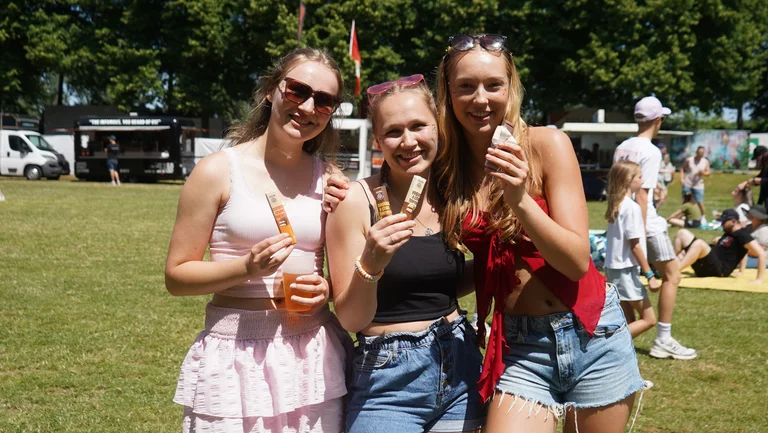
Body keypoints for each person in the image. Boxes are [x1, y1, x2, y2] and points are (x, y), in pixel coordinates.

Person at [434, 33, 647, 433]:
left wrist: (519, 198)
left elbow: (575, 261)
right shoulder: (447, 167)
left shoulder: (547, 144)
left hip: (591, 332)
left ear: (510, 87)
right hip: (521, 346)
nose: (481, 99)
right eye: (466, 87)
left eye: (493, 85)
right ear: (448, 93)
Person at [164, 48, 351, 433]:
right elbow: (176, 276)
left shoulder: (330, 178)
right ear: (271, 90)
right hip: (235, 354)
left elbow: (349, 274)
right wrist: (245, 267)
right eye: (298, 90)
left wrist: (327, 288)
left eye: (324, 100)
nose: (308, 106)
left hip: (314, 350)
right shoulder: (217, 170)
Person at [325, 75, 485, 433]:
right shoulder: (354, 200)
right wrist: (371, 263)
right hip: (388, 377)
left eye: (418, 126)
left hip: (459, 361)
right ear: (378, 139)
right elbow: (351, 318)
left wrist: (501, 262)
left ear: (438, 128)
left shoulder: (452, 195)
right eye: (394, 132)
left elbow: (439, 284)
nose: (408, 141)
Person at [614, 96, 695, 361]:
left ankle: (622, 344)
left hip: (620, 220)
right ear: (658, 120)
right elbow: (642, 196)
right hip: (646, 224)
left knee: (626, 290)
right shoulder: (651, 151)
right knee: (673, 276)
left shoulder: (622, 147)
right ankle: (663, 339)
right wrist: (642, 233)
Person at [604, 160, 660, 339]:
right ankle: (609, 345)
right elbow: (635, 245)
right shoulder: (632, 208)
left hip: (613, 268)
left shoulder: (617, 204)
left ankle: (621, 354)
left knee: (628, 319)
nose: (642, 181)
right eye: (639, 177)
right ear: (629, 180)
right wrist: (649, 274)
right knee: (649, 319)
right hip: (625, 271)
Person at [674, 209, 766, 283]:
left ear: (733, 221)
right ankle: (669, 264)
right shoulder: (728, 233)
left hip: (719, 270)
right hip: (707, 265)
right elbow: (742, 251)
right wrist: (741, 271)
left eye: (723, 222)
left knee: (700, 243)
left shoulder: (742, 234)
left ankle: (674, 271)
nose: (721, 225)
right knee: (682, 233)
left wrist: (759, 279)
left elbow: (761, 254)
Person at [680, 146, 710, 219]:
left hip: (698, 185)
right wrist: (681, 178)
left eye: (702, 153)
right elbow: (682, 168)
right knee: (686, 201)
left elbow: (708, 172)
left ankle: (703, 217)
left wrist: (702, 173)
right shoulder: (689, 160)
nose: (700, 154)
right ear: (696, 152)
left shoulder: (705, 161)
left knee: (700, 202)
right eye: (699, 152)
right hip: (688, 183)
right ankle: (684, 216)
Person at [737, 205, 768, 272]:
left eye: (751, 214)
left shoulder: (764, 230)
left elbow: (759, 252)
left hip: (760, 260)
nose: (749, 215)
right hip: (748, 256)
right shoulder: (748, 227)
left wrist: (740, 249)